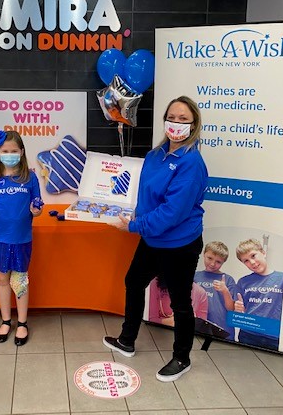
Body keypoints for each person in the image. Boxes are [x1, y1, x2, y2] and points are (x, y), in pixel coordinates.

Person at [106, 95, 208, 382]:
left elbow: (172, 213)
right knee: (134, 281)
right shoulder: (154, 156)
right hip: (153, 239)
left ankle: (182, 357)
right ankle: (127, 340)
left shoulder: (191, 163)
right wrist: (124, 211)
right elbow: (143, 197)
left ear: (194, 125)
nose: (176, 123)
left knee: (180, 302)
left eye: (183, 119)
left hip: (179, 243)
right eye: (172, 118)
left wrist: (134, 226)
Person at [0, 130, 43, 346]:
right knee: (3, 280)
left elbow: (37, 207)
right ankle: (6, 320)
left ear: (21, 152)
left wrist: (36, 210)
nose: (10, 154)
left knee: (20, 279)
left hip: (22, 237)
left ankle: (22, 323)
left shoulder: (30, 178)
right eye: (5, 151)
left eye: (14, 151)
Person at [234, 238, 283, 350]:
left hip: (274, 335)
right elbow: (238, 309)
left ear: (263, 252)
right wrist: (238, 309)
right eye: (246, 261)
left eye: (253, 256)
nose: (252, 262)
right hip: (248, 334)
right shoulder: (243, 282)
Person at [194, 241, 238, 340]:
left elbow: (231, 309)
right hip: (199, 326)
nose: (213, 264)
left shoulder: (228, 279)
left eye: (218, 262)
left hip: (223, 328)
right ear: (204, 254)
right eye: (209, 258)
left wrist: (225, 291)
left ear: (223, 262)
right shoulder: (195, 276)